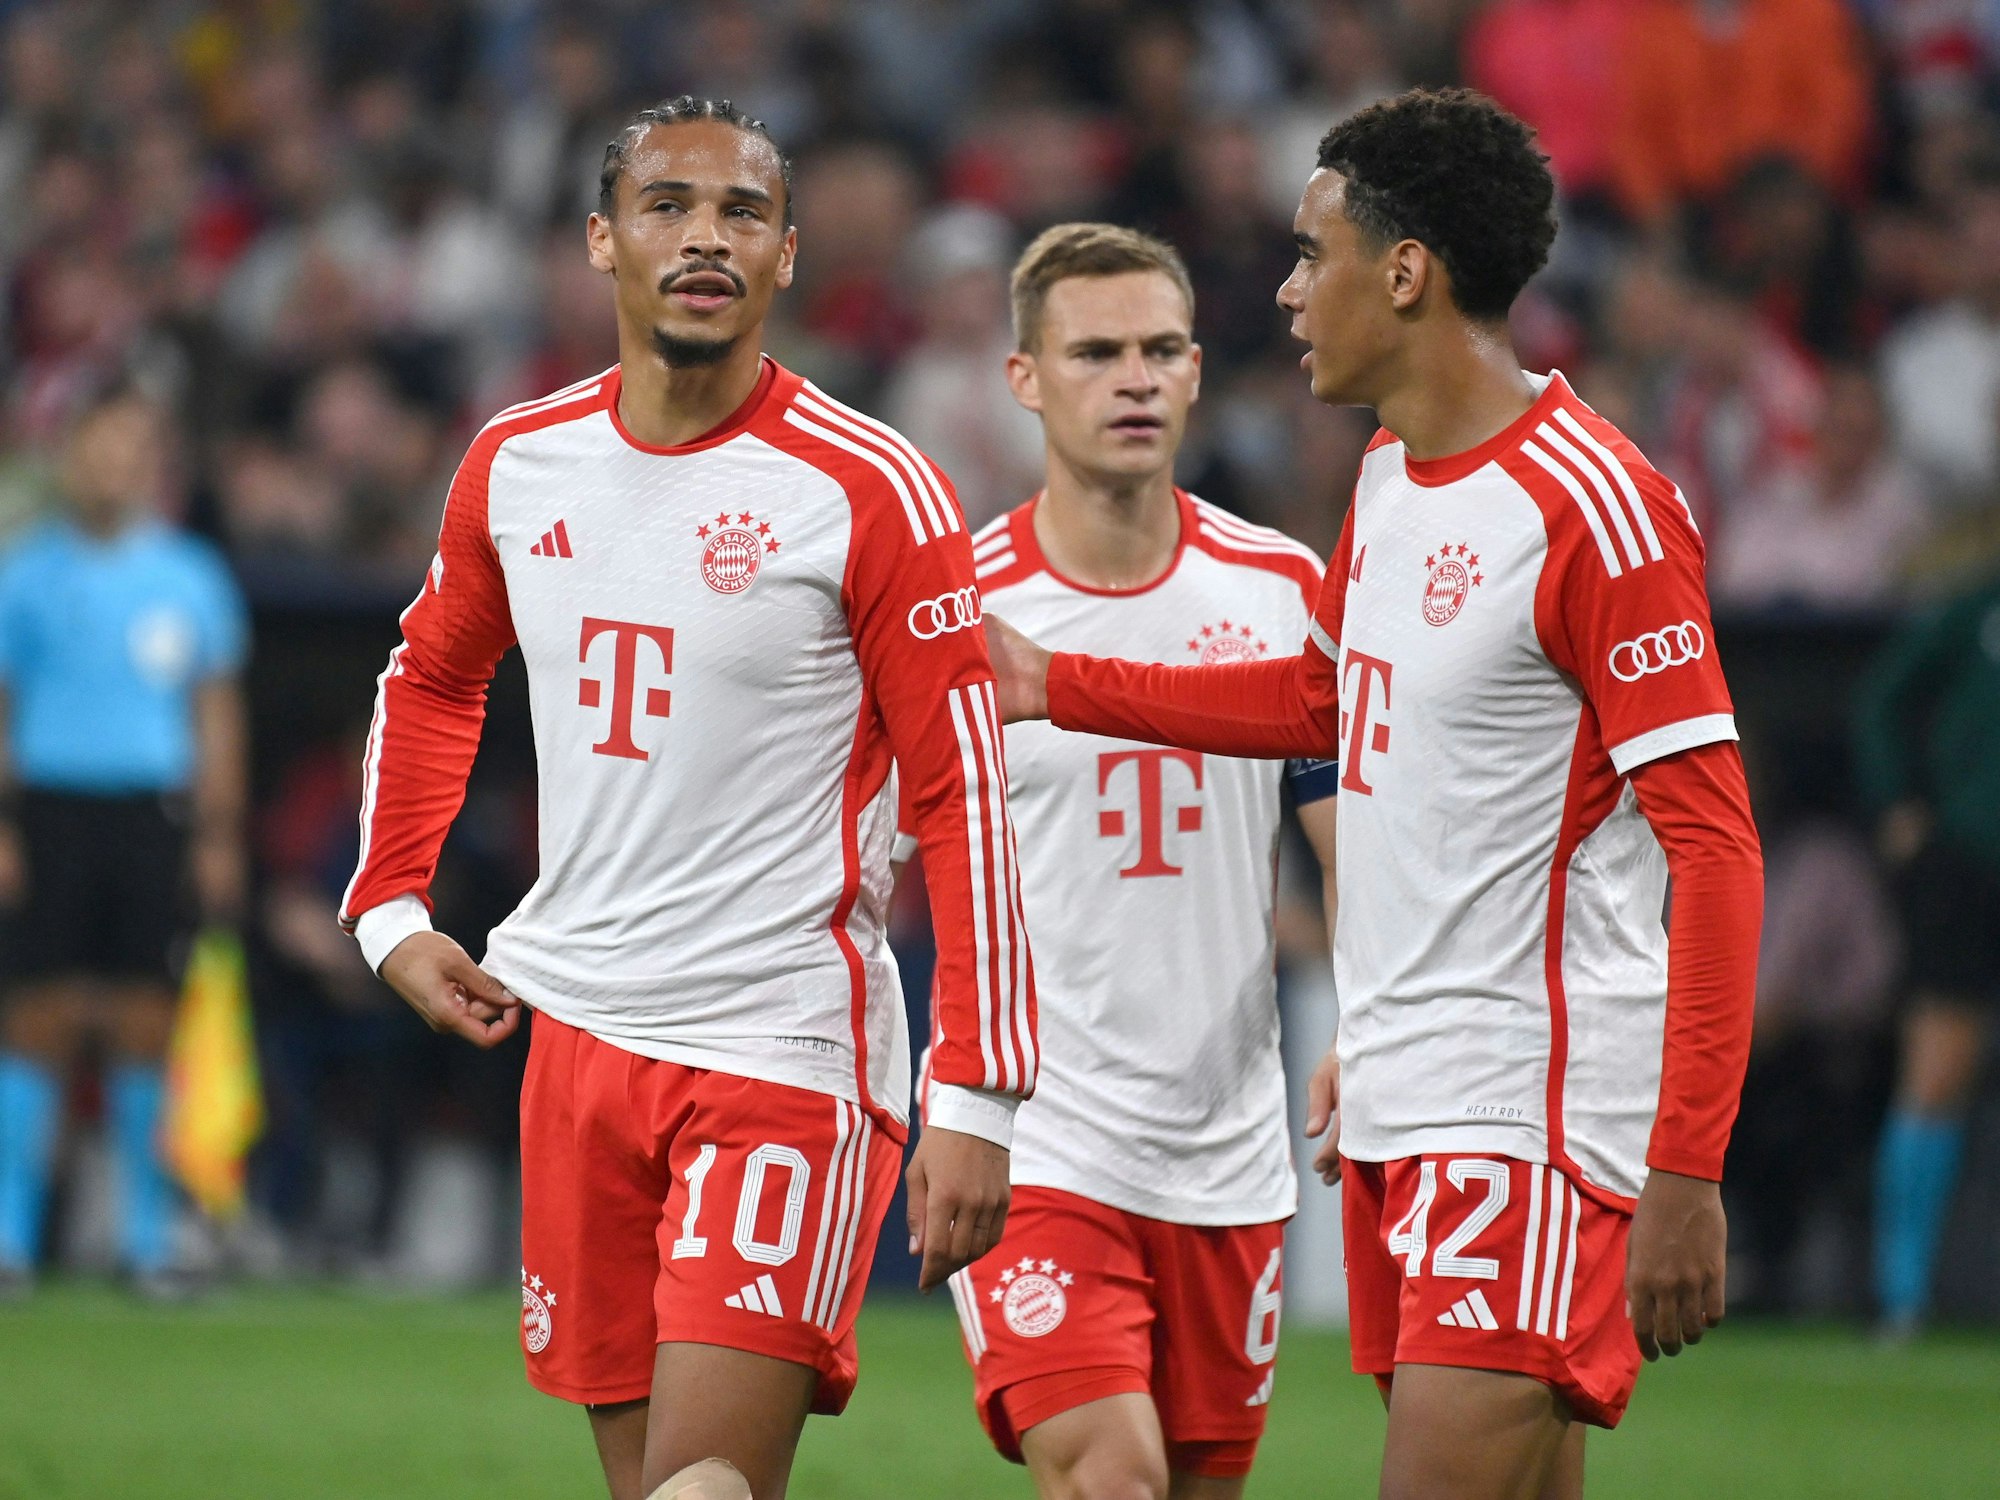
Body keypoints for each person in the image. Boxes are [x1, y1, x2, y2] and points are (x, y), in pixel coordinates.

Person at [983, 90, 1764, 1500]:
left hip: (1524, 1109)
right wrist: (1061, 683)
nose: (1286, 291)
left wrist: (1688, 1168)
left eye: (1310, 254)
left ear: (1404, 273)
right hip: (1410, 1089)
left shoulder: (1599, 510)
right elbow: (1321, 711)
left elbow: (1716, 851)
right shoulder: (1396, 475)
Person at [337, 97, 1035, 1500]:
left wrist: (979, 1090)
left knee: (704, 1489)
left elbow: (964, 793)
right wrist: (390, 909)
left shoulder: (874, 488)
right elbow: (431, 677)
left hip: (780, 1048)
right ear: (602, 241)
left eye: (742, 214)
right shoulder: (517, 463)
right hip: (579, 1038)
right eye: (668, 206)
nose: (705, 236)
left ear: (786, 256)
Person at [901, 223, 1338, 1500]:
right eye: (1094, 353)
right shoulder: (952, 612)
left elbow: (1350, 843)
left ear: (1197, 371)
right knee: (1110, 1476)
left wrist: (1372, 1017)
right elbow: (859, 870)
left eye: (1159, 350)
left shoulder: (1282, 589)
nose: (1133, 379)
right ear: (1024, 380)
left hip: (1226, 1149)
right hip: (1036, 1141)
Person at [0, 386, 249, 1296]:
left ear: (151, 465)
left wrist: (219, 833)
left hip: (152, 817)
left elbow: (215, 713)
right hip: (51, 812)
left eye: (130, 450)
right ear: (73, 457)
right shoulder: (23, 576)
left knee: (149, 1025)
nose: (113, 466)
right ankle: (11, 1239)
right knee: (37, 1021)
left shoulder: (191, 580)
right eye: (99, 448)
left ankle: (151, 1242)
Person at [1853, 568, 2000, 1337]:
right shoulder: (1974, 611)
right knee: (1937, 1070)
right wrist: (1899, 800)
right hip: (1973, 866)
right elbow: (1883, 698)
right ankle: (1901, 1296)